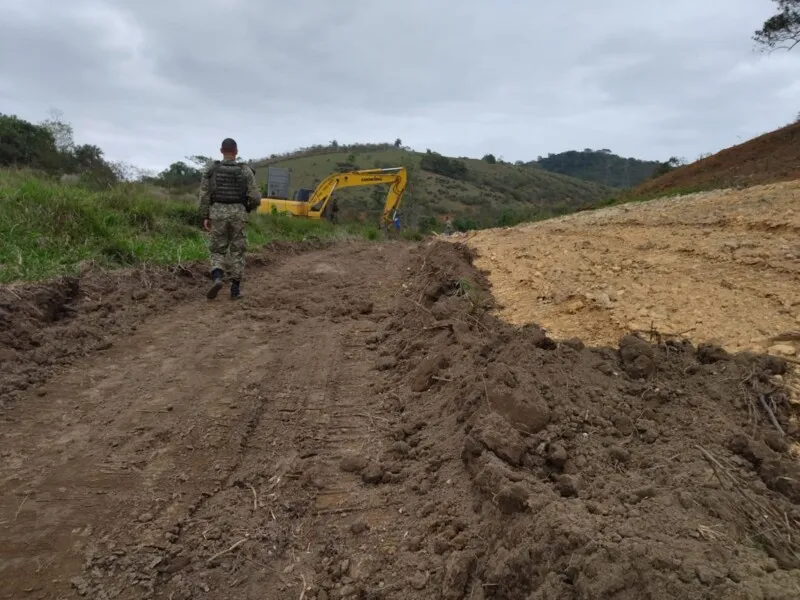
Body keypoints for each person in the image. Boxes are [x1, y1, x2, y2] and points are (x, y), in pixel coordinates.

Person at [198, 137, 261, 300]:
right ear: (236, 152)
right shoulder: (245, 170)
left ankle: (218, 277)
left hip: (217, 213)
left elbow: (204, 194)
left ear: (221, 151)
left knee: (217, 249)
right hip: (238, 215)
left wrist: (205, 215)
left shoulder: (212, 169)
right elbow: (255, 197)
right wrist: (248, 208)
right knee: (237, 252)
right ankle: (235, 290)